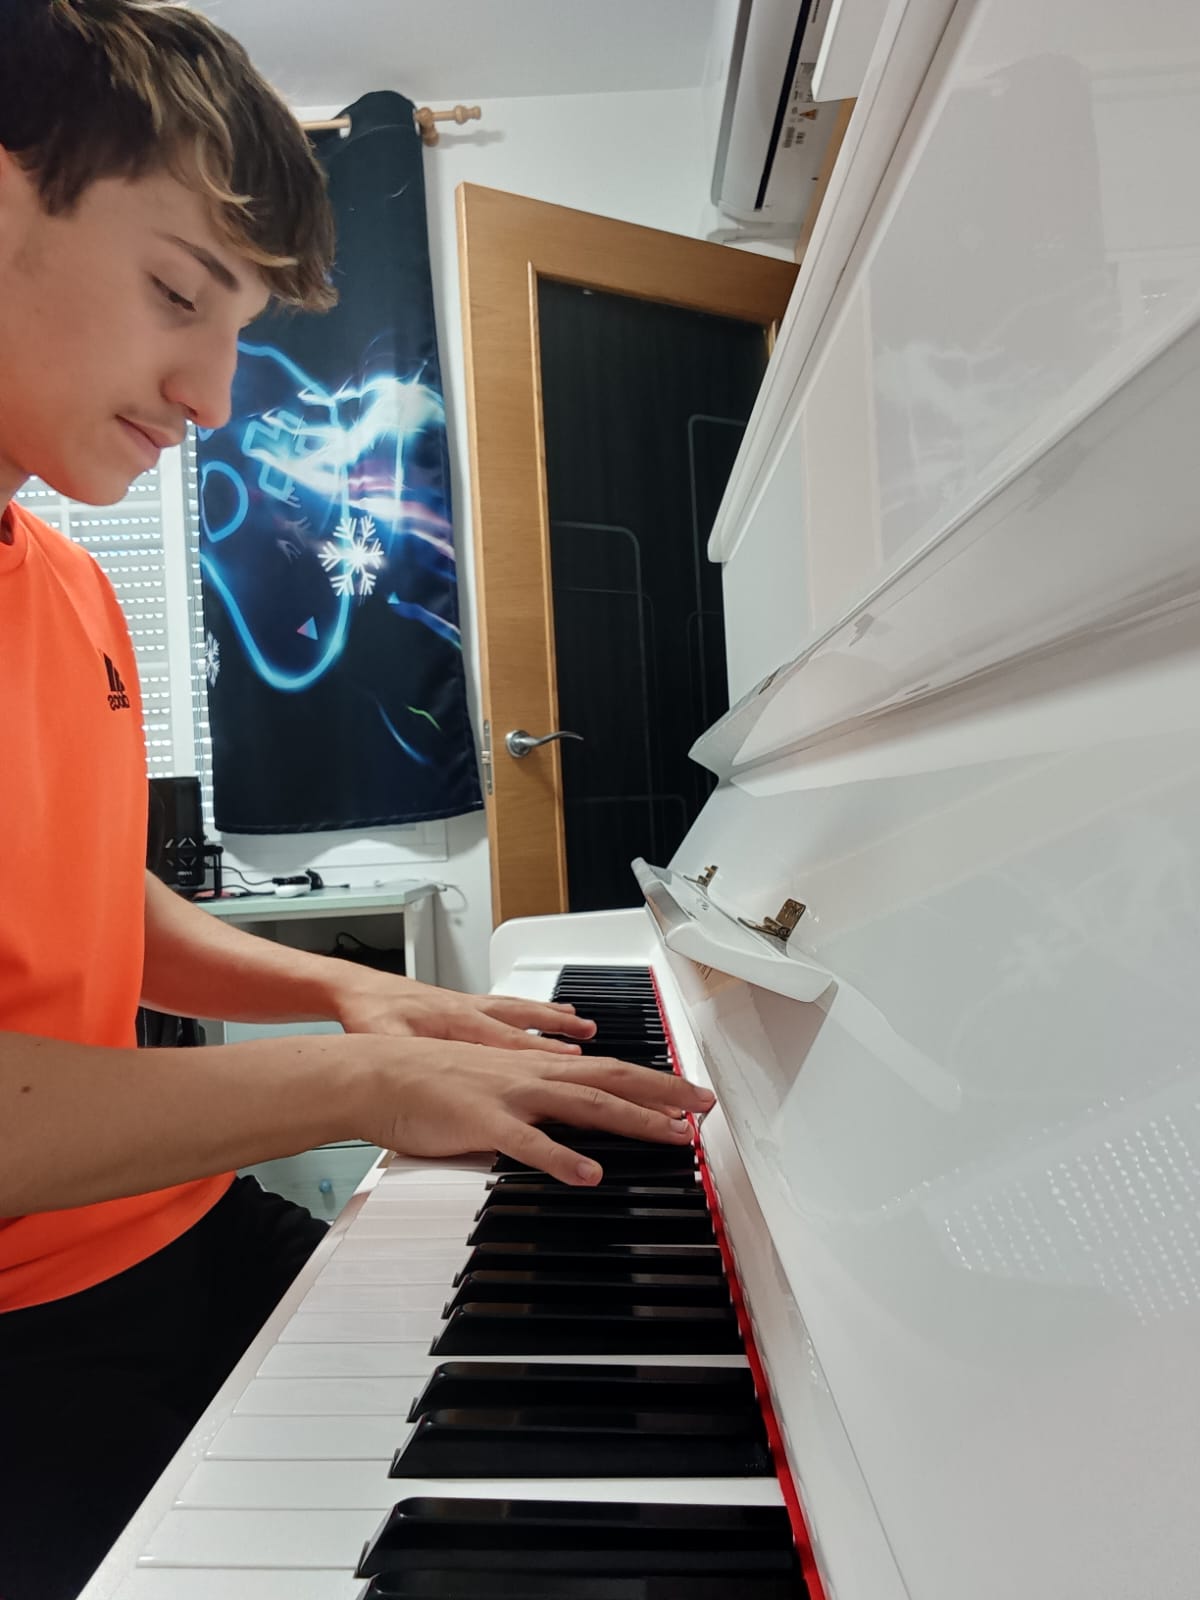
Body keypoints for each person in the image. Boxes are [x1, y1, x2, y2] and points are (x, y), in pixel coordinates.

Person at [0, 4, 715, 1595]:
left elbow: (92, 903)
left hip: (170, 1227)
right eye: (178, 293)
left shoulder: (63, 579)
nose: (209, 394)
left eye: (238, 327)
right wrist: (352, 1083)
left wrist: (354, 999)